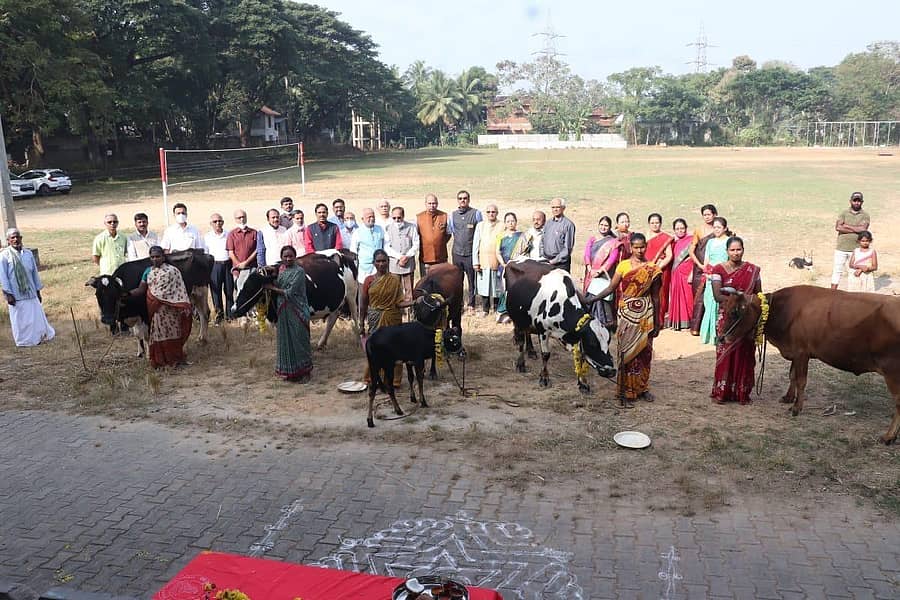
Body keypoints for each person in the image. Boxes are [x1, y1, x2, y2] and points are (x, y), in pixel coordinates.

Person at [593, 233, 661, 408]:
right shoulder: (623, 266)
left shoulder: (653, 269)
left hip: (645, 315)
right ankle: (624, 389)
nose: (639, 250)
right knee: (625, 351)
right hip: (625, 314)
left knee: (644, 352)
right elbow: (611, 287)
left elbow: (656, 298)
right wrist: (591, 299)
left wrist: (658, 321)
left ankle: (642, 388)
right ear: (631, 247)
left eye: (642, 246)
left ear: (646, 246)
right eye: (636, 247)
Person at [710, 236, 762, 405]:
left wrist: (744, 304)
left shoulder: (753, 270)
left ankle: (741, 392)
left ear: (743, 250)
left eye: (738, 249)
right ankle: (722, 393)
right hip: (727, 318)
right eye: (732, 250)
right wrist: (736, 301)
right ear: (727, 251)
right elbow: (718, 296)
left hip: (746, 321)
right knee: (725, 353)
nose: (735, 253)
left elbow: (758, 295)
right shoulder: (718, 270)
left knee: (745, 354)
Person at [130, 246, 192, 368]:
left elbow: (179, 289)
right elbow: (141, 289)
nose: (155, 259)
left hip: (171, 308)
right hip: (156, 309)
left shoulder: (172, 271)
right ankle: (160, 360)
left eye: (157, 256)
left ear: (163, 257)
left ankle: (175, 359)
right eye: (152, 257)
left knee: (173, 332)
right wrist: (126, 294)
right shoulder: (148, 271)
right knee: (158, 333)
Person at [360, 249, 413, 386]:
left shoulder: (394, 280)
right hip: (374, 319)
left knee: (395, 349)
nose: (381, 264)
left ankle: (394, 381)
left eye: (384, 261)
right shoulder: (368, 281)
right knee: (375, 349)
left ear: (389, 262)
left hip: (392, 319)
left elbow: (398, 302)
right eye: (378, 261)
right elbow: (364, 303)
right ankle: (372, 378)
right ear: (373, 263)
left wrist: (414, 302)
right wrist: (361, 323)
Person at [265, 245, 313, 382]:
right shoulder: (281, 269)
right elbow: (279, 282)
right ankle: (290, 371)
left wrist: (271, 288)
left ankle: (305, 372)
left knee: (299, 341)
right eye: (285, 256)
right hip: (284, 310)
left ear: (295, 257)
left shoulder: (299, 272)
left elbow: (289, 292)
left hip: (297, 310)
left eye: (290, 256)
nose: (288, 259)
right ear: (281, 258)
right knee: (286, 340)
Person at [0, 228, 55, 347]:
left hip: (31, 292)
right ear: (8, 241)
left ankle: (38, 338)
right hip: (16, 294)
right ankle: (23, 341)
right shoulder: (4, 256)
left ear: (21, 238)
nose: (16, 239)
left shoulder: (28, 254)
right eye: (12, 238)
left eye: (17, 237)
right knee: (21, 320)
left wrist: (38, 291)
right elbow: (3, 277)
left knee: (36, 318)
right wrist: (8, 294)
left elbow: (34, 273)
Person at [582, 216, 620, 329]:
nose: (603, 227)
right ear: (598, 225)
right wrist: (589, 268)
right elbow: (586, 254)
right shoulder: (592, 239)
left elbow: (612, 259)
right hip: (590, 273)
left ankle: (604, 323)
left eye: (606, 226)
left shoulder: (613, 242)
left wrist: (599, 271)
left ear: (610, 227)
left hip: (603, 275)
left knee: (602, 298)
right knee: (589, 294)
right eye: (601, 225)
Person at [448, 190, 482, 312]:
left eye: (465, 198)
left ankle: (471, 304)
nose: (463, 200)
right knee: (457, 280)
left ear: (469, 199)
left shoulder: (476, 214)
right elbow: (451, 231)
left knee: (472, 280)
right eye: (460, 198)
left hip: (470, 254)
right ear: (457, 200)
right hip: (457, 253)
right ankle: (459, 303)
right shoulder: (452, 215)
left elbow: (480, 232)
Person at [699, 216, 730, 345]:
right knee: (709, 304)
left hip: (723, 277)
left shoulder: (728, 241)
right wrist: (706, 272)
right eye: (715, 227)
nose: (716, 229)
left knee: (720, 306)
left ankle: (719, 334)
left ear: (725, 228)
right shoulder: (710, 242)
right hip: (710, 277)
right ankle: (708, 335)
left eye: (719, 227)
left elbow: (729, 260)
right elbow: (707, 259)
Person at [688, 204, 718, 335]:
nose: (707, 217)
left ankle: (711, 326)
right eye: (704, 215)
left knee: (713, 296)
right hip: (700, 268)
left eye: (709, 214)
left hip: (715, 268)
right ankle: (695, 327)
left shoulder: (719, 229)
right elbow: (691, 250)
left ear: (714, 215)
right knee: (699, 296)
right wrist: (700, 265)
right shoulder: (699, 230)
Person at [832, 192, 870, 290]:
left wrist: (846, 225)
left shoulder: (865, 215)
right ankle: (832, 292)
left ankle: (852, 292)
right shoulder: (844, 213)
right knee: (837, 270)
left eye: (859, 201)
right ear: (850, 201)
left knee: (853, 271)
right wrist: (856, 228)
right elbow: (838, 227)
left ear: (862, 202)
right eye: (855, 200)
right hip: (841, 247)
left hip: (856, 249)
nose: (856, 203)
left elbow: (863, 230)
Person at [472, 204, 504, 315]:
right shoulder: (480, 226)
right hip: (483, 261)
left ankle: (496, 309)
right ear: (486, 213)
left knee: (496, 287)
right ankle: (485, 309)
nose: (491, 214)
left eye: (493, 212)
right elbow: (476, 244)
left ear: (497, 213)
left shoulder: (502, 225)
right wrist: (475, 262)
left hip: (497, 261)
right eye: (489, 212)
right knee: (484, 286)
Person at [495, 212, 527, 322]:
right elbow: (497, 252)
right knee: (505, 290)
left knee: (517, 291)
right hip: (504, 267)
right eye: (508, 221)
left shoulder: (521, 236)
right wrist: (503, 264)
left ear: (516, 222)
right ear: (505, 223)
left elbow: (525, 252)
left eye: (512, 221)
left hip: (517, 268)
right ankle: (503, 312)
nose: (510, 223)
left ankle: (515, 313)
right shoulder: (500, 236)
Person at [384, 206, 419, 300]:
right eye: (394, 218)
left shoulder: (411, 227)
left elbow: (416, 243)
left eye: (399, 217)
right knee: (395, 289)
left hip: (408, 263)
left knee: (409, 290)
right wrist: (399, 257)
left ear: (403, 216)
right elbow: (387, 246)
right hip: (394, 263)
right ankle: (396, 312)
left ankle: (409, 311)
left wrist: (406, 256)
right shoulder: (388, 228)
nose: (397, 220)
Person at [666, 218, 694, 330]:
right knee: (676, 297)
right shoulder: (674, 243)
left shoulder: (692, 240)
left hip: (687, 273)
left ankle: (690, 321)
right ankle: (677, 321)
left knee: (688, 298)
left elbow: (695, 257)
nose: (680, 230)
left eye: (682, 228)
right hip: (676, 275)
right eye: (677, 229)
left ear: (686, 228)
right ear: (674, 230)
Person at [646, 213, 674, 326]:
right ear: (649, 224)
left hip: (661, 269)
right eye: (652, 223)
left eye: (657, 222)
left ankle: (659, 321)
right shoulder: (645, 236)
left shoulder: (665, 238)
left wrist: (658, 266)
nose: (654, 225)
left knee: (660, 294)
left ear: (661, 223)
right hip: (646, 269)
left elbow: (669, 255)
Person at [204, 213, 233, 324]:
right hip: (214, 265)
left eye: (220, 221)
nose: (218, 223)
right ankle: (218, 315)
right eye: (215, 221)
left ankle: (230, 315)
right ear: (211, 224)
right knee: (216, 292)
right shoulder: (207, 237)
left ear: (223, 222)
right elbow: (206, 253)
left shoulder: (229, 234)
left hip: (227, 264)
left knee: (229, 291)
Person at [416, 193, 451, 276]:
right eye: (430, 203)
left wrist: (438, 243)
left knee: (441, 283)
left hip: (441, 258)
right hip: (425, 257)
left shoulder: (444, 216)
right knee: (426, 283)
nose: (432, 206)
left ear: (437, 204)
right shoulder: (419, 217)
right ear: (425, 204)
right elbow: (416, 236)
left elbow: (449, 234)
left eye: (434, 203)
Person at [226, 209, 258, 297]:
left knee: (252, 292)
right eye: (239, 218)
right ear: (235, 219)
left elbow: (257, 250)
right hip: (238, 270)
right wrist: (239, 265)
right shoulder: (232, 234)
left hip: (252, 268)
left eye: (243, 217)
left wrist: (246, 262)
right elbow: (231, 252)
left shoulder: (254, 233)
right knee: (240, 293)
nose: (241, 219)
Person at [350, 208, 385, 285]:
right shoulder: (357, 232)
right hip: (364, 269)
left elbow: (385, 246)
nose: (371, 219)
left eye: (373, 216)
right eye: (369, 217)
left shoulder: (380, 229)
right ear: (363, 219)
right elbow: (353, 251)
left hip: (379, 267)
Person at [541, 197, 575, 272]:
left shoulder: (568, 225)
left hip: (561, 264)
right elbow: (542, 241)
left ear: (563, 208)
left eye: (557, 207)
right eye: (553, 207)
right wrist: (543, 256)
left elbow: (567, 249)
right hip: (547, 261)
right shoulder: (548, 223)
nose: (555, 209)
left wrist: (554, 261)